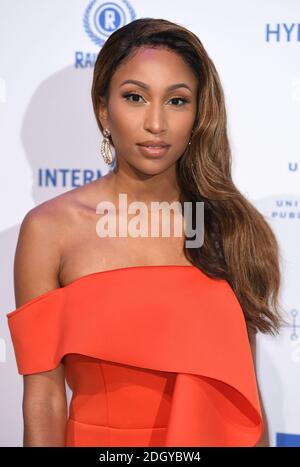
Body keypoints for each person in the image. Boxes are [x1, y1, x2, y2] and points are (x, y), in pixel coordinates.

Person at [6, 17, 287, 447]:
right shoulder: (50, 230)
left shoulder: (223, 226)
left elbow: (243, 394)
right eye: (135, 97)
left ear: (198, 115)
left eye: (177, 101)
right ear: (104, 109)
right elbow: (42, 396)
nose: (156, 123)